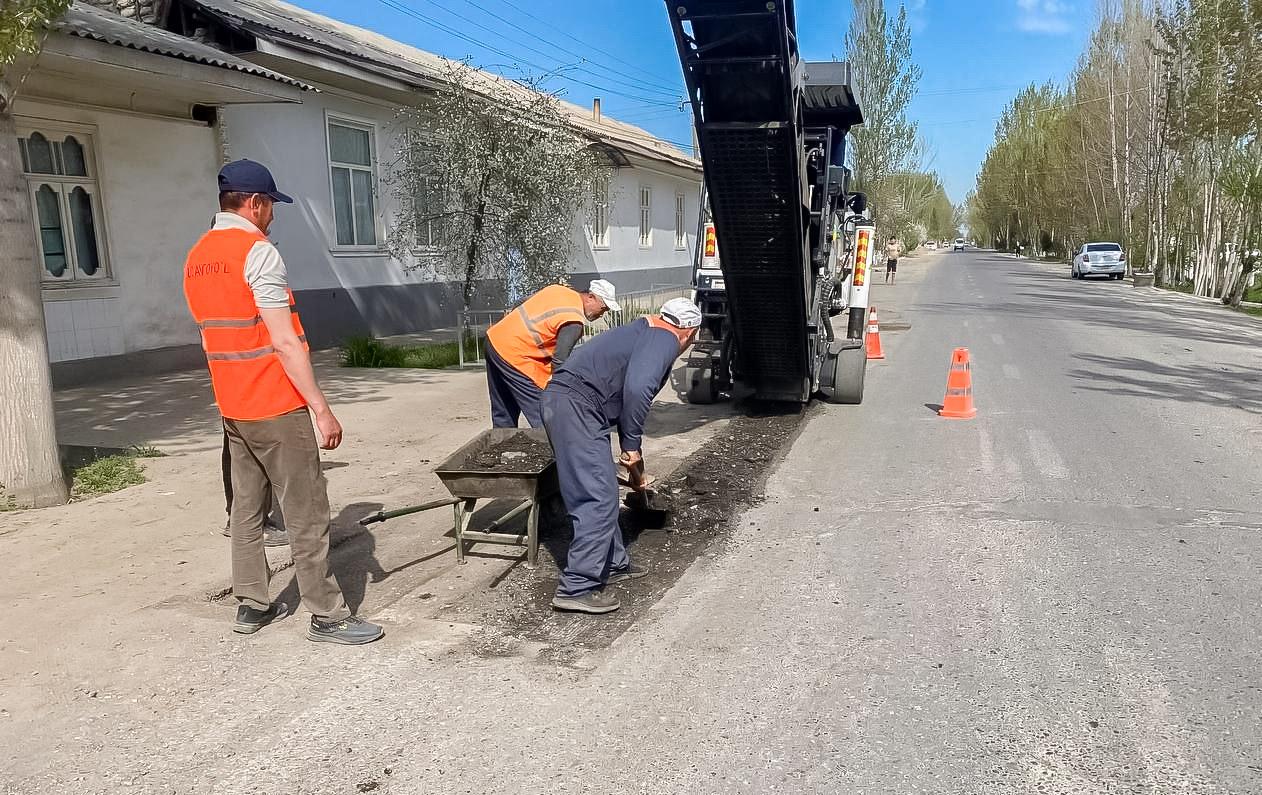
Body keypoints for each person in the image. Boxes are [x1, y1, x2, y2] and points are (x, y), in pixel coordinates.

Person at [183, 159, 382, 645]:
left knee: (247, 512)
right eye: (271, 206)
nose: (272, 216)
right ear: (254, 203)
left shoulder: (198, 255)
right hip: (274, 403)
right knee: (308, 513)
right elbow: (284, 342)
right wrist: (320, 407)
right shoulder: (258, 253)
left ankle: (252, 605)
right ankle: (327, 614)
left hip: (233, 407)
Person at [541, 297, 702, 614]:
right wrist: (631, 445)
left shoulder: (647, 329)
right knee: (596, 497)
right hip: (575, 406)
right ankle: (577, 587)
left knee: (601, 489)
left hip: (576, 406)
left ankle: (613, 563)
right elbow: (639, 387)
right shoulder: (666, 338)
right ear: (689, 333)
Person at [484, 279, 621, 428]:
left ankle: (502, 445)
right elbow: (559, 361)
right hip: (515, 355)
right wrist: (560, 394)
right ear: (590, 297)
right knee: (545, 413)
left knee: (503, 409)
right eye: (603, 309)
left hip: (494, 339)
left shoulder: (557, 290)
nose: (601, 315)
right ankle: (555, 448)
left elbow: (520, 304)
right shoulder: (573, 319)